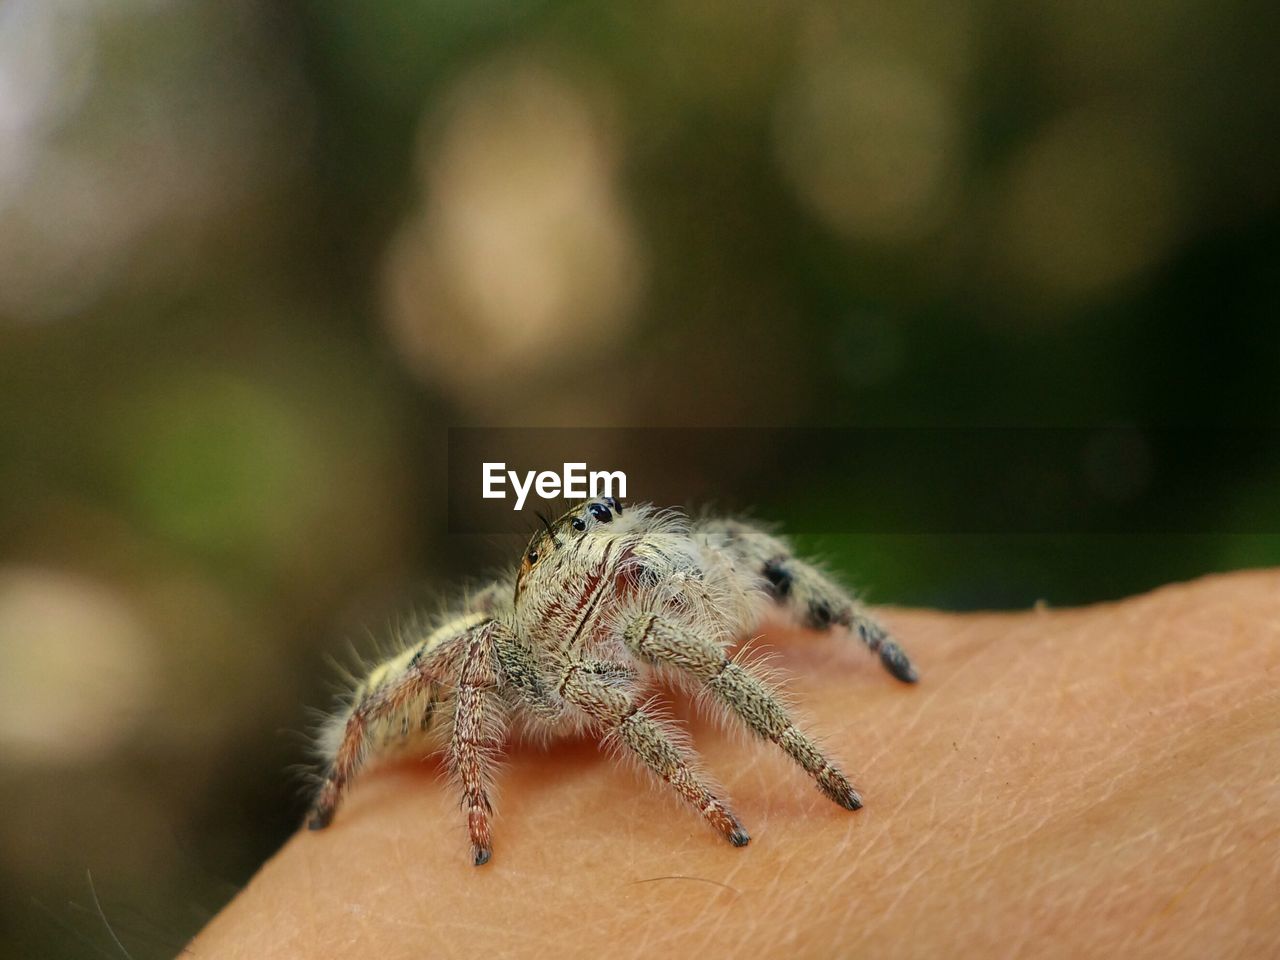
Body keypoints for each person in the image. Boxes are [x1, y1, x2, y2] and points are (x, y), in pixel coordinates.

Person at [190, 570, 1279, 958]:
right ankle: (791, 760)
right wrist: (475, 803)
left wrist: (862, 635)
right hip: (450, 691)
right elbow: (452, 672)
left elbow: (723, 567)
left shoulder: (628, 583)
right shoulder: (527, 652)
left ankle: (848, 655)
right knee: (471, 650)